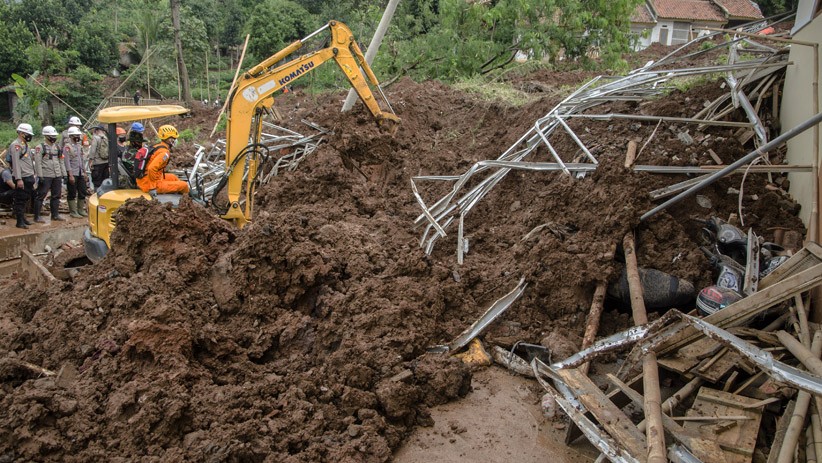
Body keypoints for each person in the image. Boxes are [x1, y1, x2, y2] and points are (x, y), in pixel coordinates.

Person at [136, 125, 190, 195]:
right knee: (184, 185)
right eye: (174, 138)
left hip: (144, 179)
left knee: (173, 177)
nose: (175, 140)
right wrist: (152, 188)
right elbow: (151, 168)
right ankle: (188, 199)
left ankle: (180, 192)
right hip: (148, 184)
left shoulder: (157, 146)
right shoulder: (164, 152)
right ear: (170, 140)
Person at [33, 126, 67, 222]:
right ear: (46, 136)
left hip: (57, 175)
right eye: (51, 136)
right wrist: (40, 176)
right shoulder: (40, 148)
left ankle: (55, 215)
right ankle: (37, 216)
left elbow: (61, 161)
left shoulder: (57, 147)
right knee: (41, 195)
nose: (54, 138)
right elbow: (38, 163)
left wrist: (64, 174)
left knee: (56, 195)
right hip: (46, 175)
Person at [9, 123, 37, 229]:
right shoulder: (16, 145)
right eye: (27, 134)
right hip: (22, 177)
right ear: (21, 133)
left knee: (25, 199)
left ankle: (23, 218)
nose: (29, 136)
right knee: (19, 200)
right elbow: (15, 163)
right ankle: (19, 221)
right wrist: (18, 179)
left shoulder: (25, 144)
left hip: (28, 175)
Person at [64, 126, 88, 218]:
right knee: (72, 192)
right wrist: (70, 175)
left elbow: (81, 160)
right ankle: (73, 211)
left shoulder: (79, 146)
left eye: (78, 135)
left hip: (80, 172)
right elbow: (67, 162)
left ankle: (80, 209)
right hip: (72, 173)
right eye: (76, 135)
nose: (78, 137)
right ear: (71, 136)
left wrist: (84, 172)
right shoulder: (67, 147)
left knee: (82, 191)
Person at [89, 125, 110, 190]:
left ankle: (96, 196)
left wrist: (90, 161)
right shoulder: (106, 138)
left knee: (97, 182)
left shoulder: (95, 138)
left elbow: (92, 150)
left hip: (97, 163)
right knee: (105, 181)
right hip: (106, 162)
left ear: (97, 130)